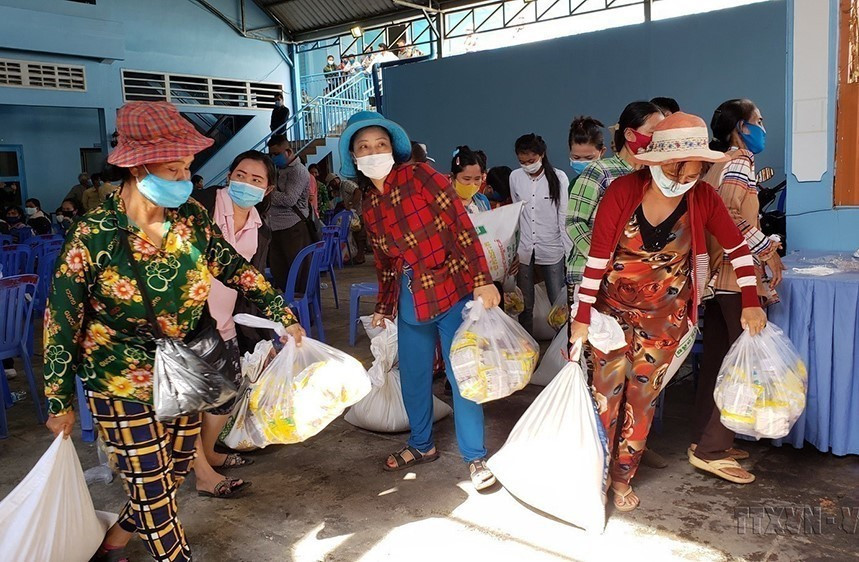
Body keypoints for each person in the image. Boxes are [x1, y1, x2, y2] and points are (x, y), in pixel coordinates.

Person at [43, 101, 304, 562]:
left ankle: (116, 540)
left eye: (187, 168)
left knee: (173, 471)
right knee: (151, 486)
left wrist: (281, 312)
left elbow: (234, 268)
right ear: (138, 166)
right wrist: (59, 399)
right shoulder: (94, 234)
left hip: (185, 364)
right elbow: (61, 318)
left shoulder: (190, 220)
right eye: (173, 167)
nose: (185, 179)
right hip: (120, 376)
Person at [569, 112, 767, 513]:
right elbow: (597, 259)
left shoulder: (703, 198)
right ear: (655, 161)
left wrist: (751, 301)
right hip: (611, 314)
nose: (680, 179)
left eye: (691, 172)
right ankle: (595, 477)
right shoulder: (623, 191)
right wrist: (583, 314)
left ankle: (623, 477)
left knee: (641, 402)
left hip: (666, 319)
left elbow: (737, 251)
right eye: (675, 169)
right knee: (604, 398)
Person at [339, 110, 501, 490]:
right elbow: (385, 260)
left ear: (393, 148)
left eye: (380, 144)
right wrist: (383, 304)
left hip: (452, 289)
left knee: (463, 377)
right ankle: (421, 445)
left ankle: (475, 458)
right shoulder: (369, 204)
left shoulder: (421, 177)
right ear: (355, 158)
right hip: (412, 299)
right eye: (364, 147)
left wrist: (482, 280)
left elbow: (462, 227)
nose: (373, 151)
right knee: (412, 377)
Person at [689, 99, 786, 484]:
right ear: (741, 127)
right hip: (734, 277)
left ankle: (703, 438)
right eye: (759, 121)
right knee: (742, 364)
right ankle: (713, 449)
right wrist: (766, 248)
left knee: (716, 359)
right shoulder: (740, 161)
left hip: (718, 276)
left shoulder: (715, 162)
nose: (763, 128)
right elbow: (728, 216)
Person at [192, 150, 277, 498]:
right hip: (188, 323)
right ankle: (201, 473)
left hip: (224, 323)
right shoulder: (201, 205)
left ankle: (210, 451)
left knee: (225, 395)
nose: (246, 184)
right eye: (240, 175)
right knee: (188, 403)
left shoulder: (261, 228)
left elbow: (250, 284)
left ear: (268, 189)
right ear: (229, 176)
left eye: (256, 180)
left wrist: (269, 333)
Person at [566, 101, 663, 296]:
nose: (658, 139)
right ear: (629, 134)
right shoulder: (600, 171)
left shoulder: (654, 176)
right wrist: (602, 258)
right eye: (653, 133)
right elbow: (574, 222)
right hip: (592, 276)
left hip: (633, 280)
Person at [510, 133, 571, 335]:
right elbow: (516, 215)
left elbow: (563, 216)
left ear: (542, 155)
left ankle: (563, 349)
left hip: (553, 247)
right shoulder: (515, 178)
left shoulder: (559, 178)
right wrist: (513, 251)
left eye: (531, 161)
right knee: (525, 304)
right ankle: (527, 345)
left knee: (558, 303)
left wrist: (568, 251)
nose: (527, 165)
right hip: (525, 249)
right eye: (522, 162)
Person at [267, 134, 312, 291]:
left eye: (276, 154)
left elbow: (289, 199)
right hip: (276, 227)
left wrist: (266, 193)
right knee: (279, 271)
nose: (273, 157)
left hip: (293, 227)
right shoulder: (279, 170)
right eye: (271, 154)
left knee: (298, 274)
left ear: (288, 151)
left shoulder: (298, 172)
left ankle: (301, 310)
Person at [451, 146, 491, 213]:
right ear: (453, 177)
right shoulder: (445, 204)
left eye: (477, 179)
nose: (472, 184)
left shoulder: (483, 200)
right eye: (467, 179)